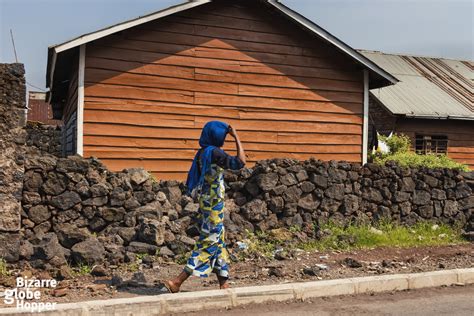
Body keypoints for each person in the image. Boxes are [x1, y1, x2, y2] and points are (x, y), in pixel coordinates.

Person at [163, 121, 246, 293]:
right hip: (214, 204)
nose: (224, 138)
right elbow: (240, 162)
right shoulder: (215, 153)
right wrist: (236, 136)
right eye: (223, 135)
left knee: (218, 240)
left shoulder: (203, 153)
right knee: (209, 241)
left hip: (207, 201)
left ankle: (223, 282)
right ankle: (178, 281)